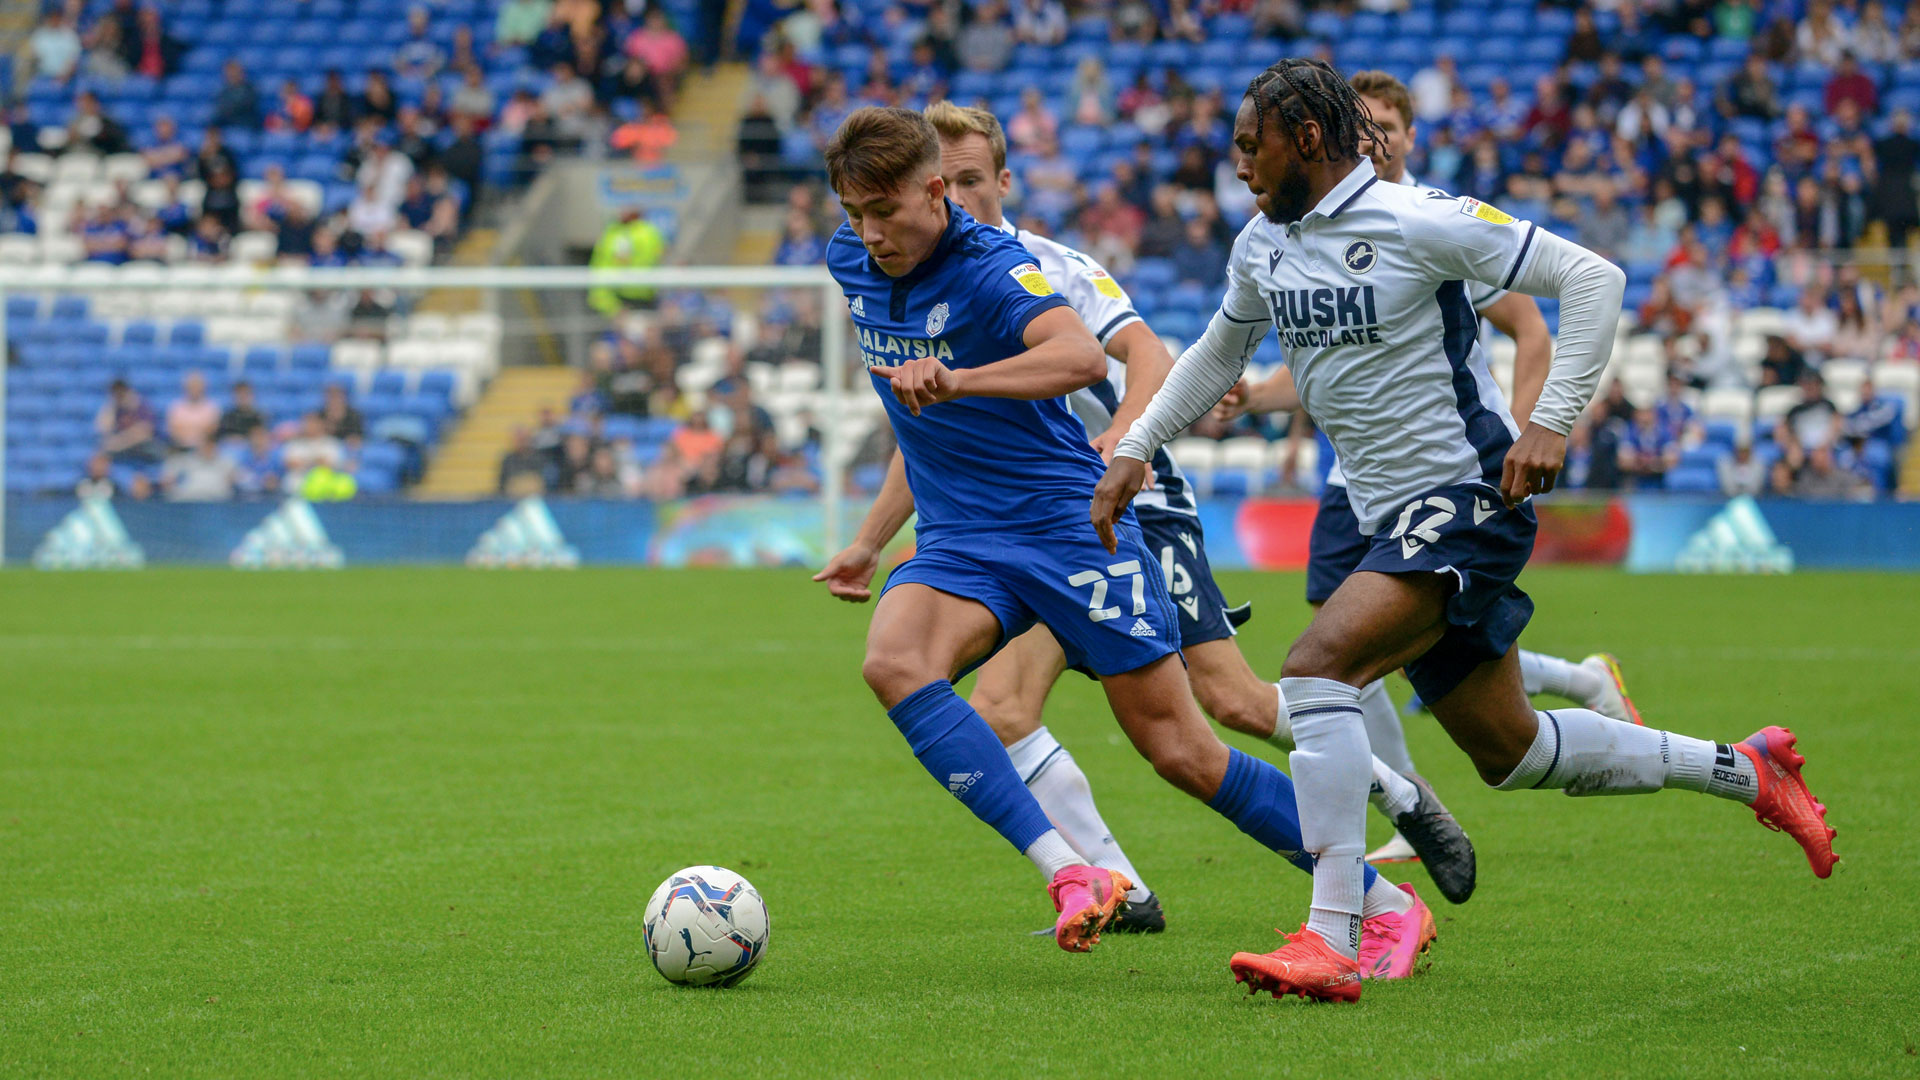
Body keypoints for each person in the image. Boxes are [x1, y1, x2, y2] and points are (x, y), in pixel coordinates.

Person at [1093, 58, 1837, 1001]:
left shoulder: (1418, 220)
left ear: (1307, 140)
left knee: (1319, 666)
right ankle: (1749, 770)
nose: (1238, 166)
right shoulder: (1263, 244)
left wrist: (1553, 421)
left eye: (1252, 146)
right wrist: (1141, 443)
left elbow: (1592, 277)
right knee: (1513, 753)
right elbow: (1215, 355)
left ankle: (1336, 933)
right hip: (1383, 518)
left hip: (1465, 497)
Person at [810, 105, 1438, 959]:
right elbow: (912, 421)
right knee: (894, 663)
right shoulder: (851, 261)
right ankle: (1075, 872)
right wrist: (873, 537)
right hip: (963, 533)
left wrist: (958, 379)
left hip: (1067, 527)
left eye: (885, 211)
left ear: (935, 192)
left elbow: (1080, 358)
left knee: (1183, 749)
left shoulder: (997, 266)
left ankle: (1382, 901)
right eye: (854, 214)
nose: (870, 233)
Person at [1219, 70, 1640, 867]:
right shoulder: (1290, 231)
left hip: (1448, 483)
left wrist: (1533, 424)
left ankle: (1385, 841)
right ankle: (1415, 792)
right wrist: (1251, 400)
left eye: (1384, 122)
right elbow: (1322, 362)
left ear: (1407, 136)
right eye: (1362, 118)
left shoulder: (1432, 222)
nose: (1371, 132)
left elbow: (1533, 321)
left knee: (1331, 656)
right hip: (1359, 487)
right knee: (1382, 657)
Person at [587, 207, 666, 315]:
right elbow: (599, 266)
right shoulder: (611, 232)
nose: (622, 210)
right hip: (611, 300)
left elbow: (652, 261)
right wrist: (609, 305)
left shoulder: (648, 232)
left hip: (640, 299)